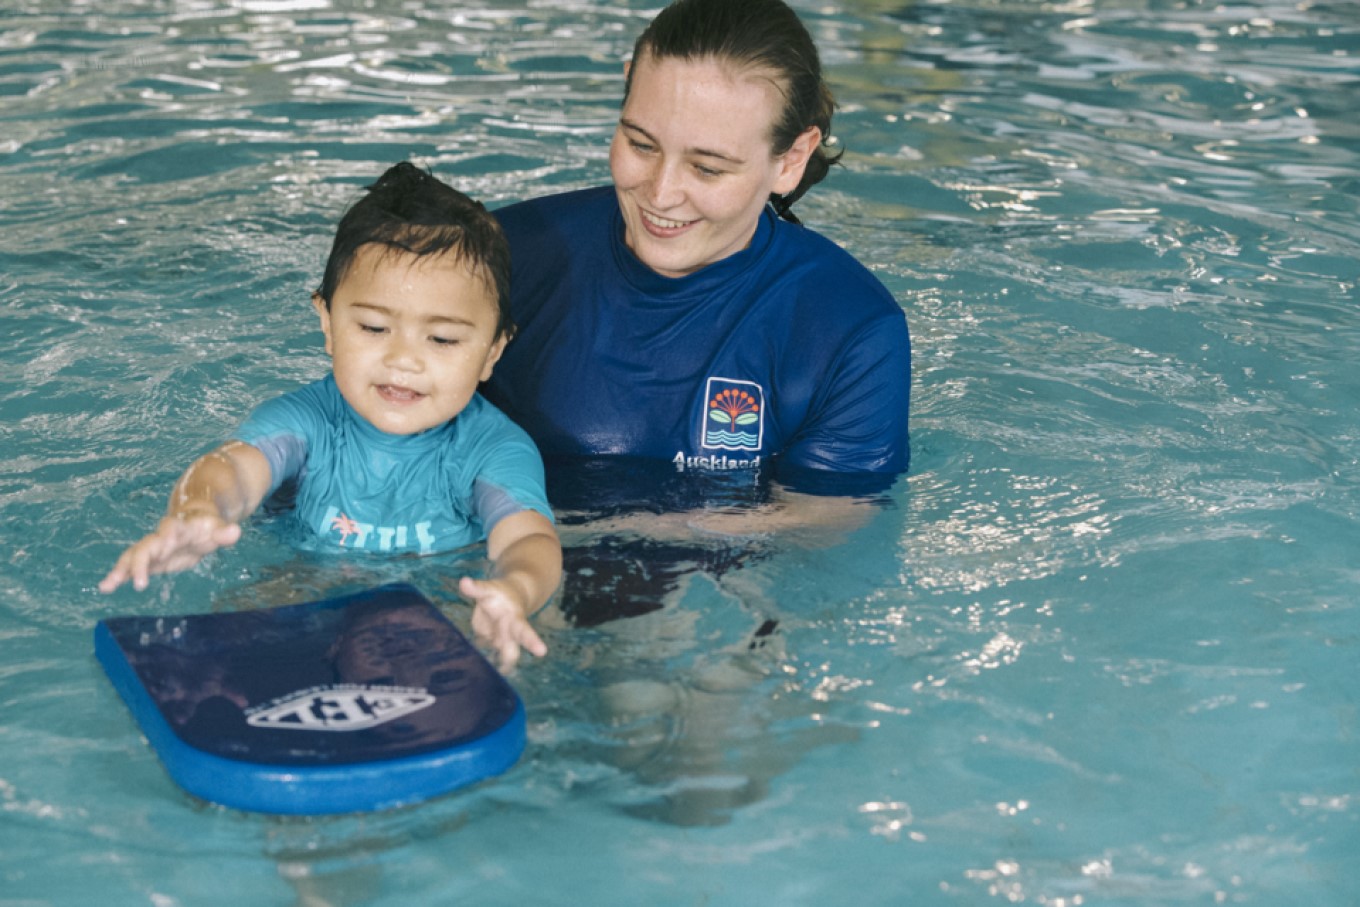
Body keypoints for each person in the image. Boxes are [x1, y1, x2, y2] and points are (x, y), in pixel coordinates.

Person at [100, 162, 562, 668]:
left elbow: (529, 538)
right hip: (306, 585)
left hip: (447, 603)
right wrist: (197, 512)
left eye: (443, 338)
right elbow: (232, 467)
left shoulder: (493, 450)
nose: (404, 360)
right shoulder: (306, 424)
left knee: (525, 644)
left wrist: (514, 591)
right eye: (372, 327)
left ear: (493, 351)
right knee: (246, 616)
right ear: (327, 322)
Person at [483, 0, 911, 506]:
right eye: (641, 144)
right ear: (627, 87)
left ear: (792, 159)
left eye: (708, 169)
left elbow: (826, 522)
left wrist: (578, 542)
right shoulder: (497, 258)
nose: (660, 194)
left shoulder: (847, 329)